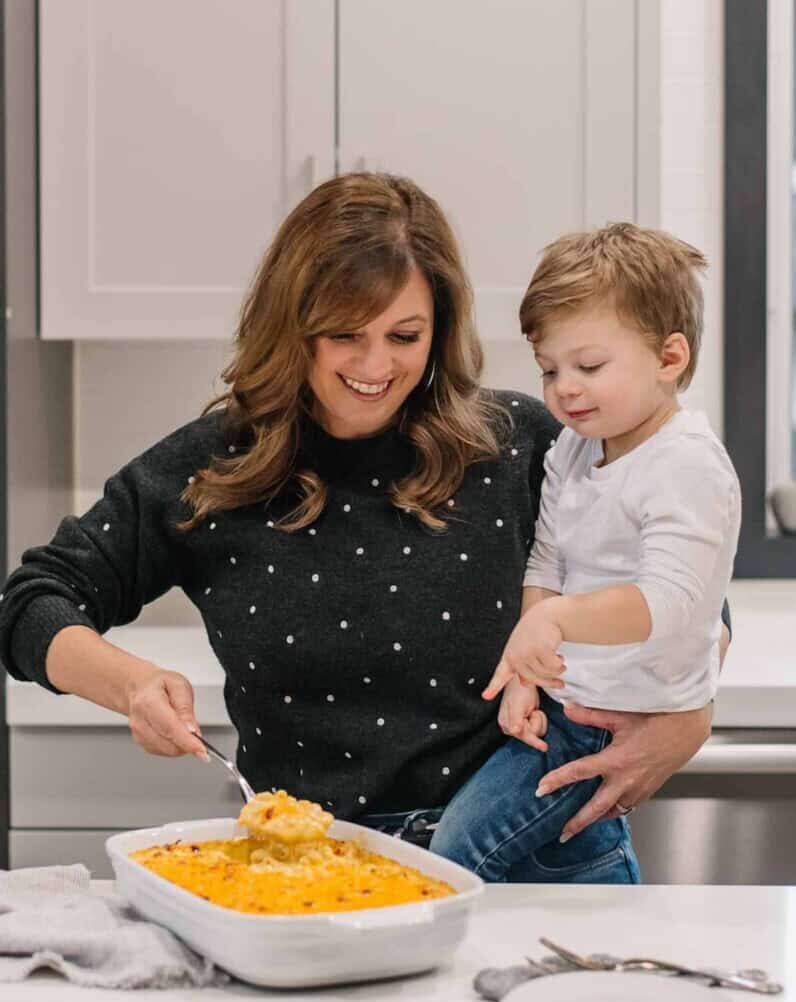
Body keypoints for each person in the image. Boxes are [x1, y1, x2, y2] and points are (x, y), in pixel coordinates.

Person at [0, 176, 725, 884]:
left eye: (404, 335)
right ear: (293, 327)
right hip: (312, 870)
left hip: (535, 860)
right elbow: (32, 600)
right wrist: (129, 686)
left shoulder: (528, 445)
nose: (376, 365)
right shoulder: (214, 468)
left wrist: (685, 720)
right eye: (344, 334)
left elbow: (688, 592)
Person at [428, 224, 740, 881]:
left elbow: (672, 603)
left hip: (612, 717)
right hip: (569, 704)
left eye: (589, 367)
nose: (565, 389)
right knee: (569, 866)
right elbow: (548, 558)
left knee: (454, 860)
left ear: (670, 357)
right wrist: (527, 672)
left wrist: (557, 622)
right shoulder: (574, 446)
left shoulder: (685, 465)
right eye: (550, 369)